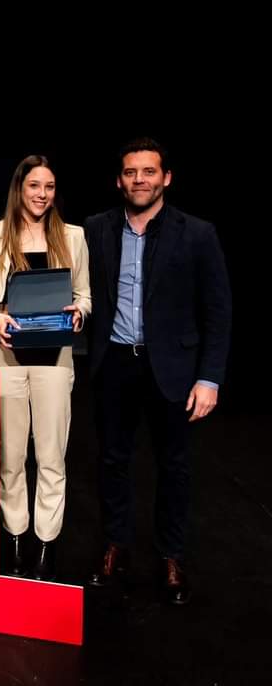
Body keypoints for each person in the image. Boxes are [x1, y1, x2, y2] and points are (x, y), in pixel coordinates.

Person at [83, 138, 231, 605]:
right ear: (119, 180)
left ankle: (171, 555)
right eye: (131, 172)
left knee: (174, 467)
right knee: (112, 461)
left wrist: (209, 378)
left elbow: (218, 310)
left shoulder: (198, 233)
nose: (139, 180)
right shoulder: (95, 229)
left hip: (172, 370)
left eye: (148, 172)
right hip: (114, 364)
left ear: (166, 178)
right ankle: (116, 546)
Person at [0, 155, 91, 581]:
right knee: (11, 457)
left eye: (50, 187)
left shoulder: (72, 237)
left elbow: (86, 295)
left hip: (55, 359)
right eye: (35, 186)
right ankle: (15, 534)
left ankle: (46, 542)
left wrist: (80, 312)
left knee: (52, 455)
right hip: (5, 357)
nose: (43, 194)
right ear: (19, 189)